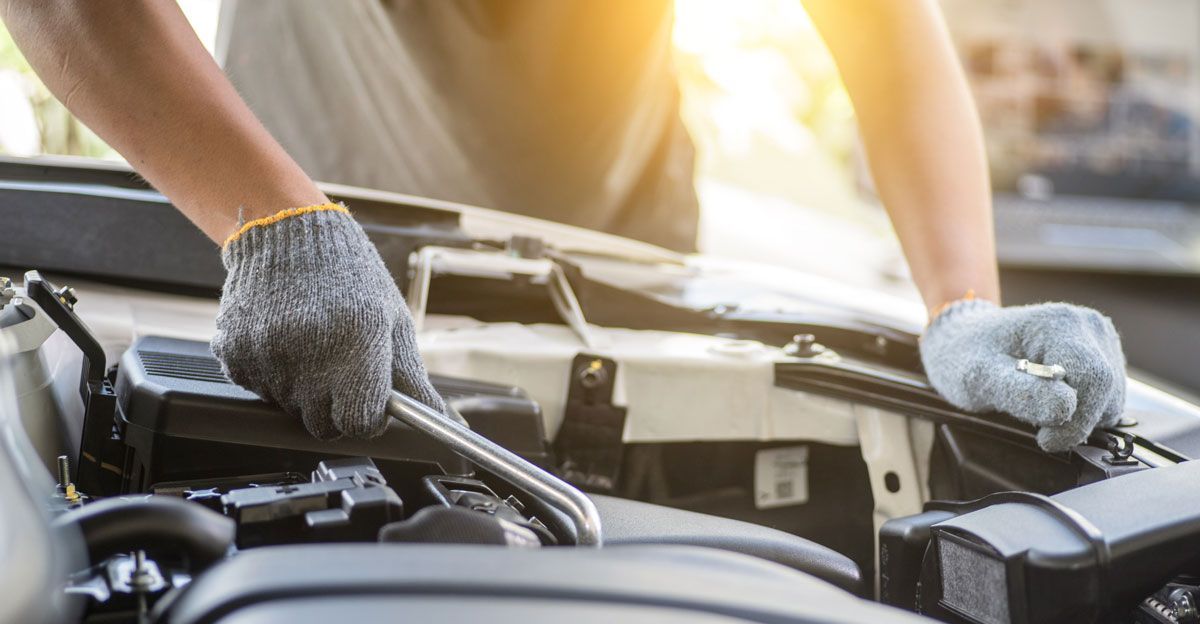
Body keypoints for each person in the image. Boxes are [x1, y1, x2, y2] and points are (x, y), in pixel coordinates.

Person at [1, 0, 1125, 452]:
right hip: (280, 222)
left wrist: (962, 308)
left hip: (614, 253)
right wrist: (271, 221)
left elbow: (882, 30)